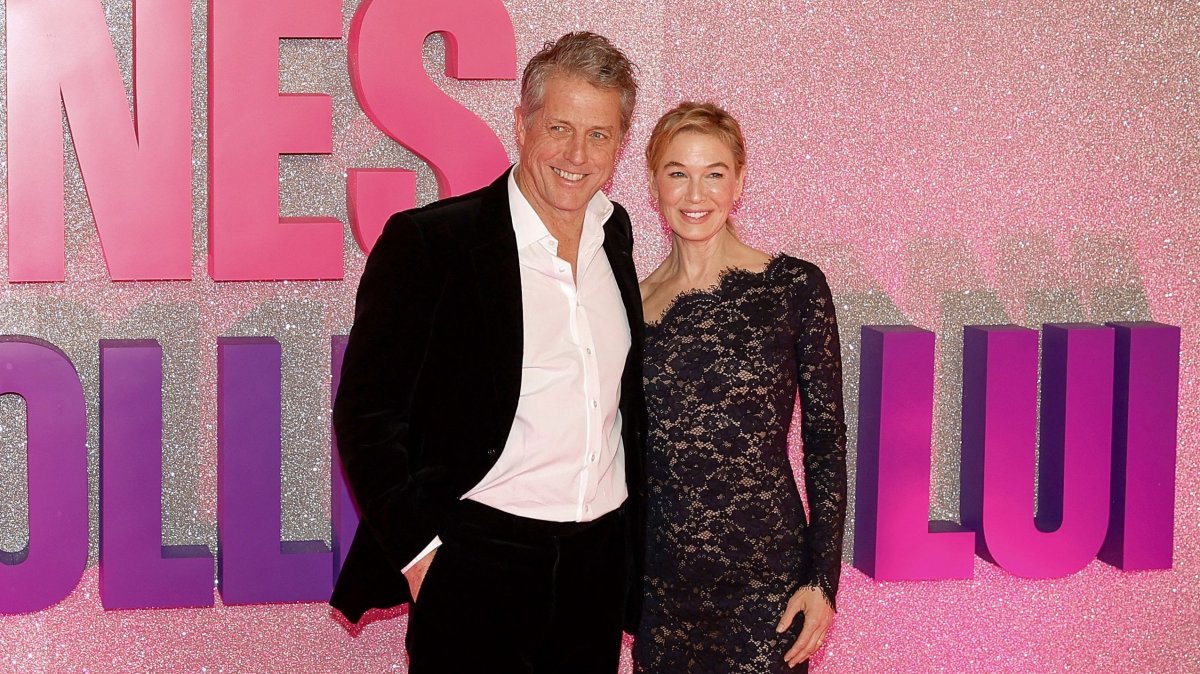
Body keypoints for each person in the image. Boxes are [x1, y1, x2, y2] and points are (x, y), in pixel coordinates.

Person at [330, 32, 645, 674]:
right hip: (480, 557)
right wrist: (422, 555)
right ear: (522, 123)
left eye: (599, 134)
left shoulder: (615, 235)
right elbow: (366, 417)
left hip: (598, 564)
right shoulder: (432, 244)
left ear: (619, 144)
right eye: (559, 126)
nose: (577, 154)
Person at [632, 102, 847, 673]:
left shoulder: (793, 286)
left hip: (767, 588)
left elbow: (825, 440)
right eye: (677, 172)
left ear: (739, 182)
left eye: (714, 173)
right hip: (661, 589)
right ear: (653, 185)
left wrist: (822, 580)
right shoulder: (629, 301)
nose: (694, 192)